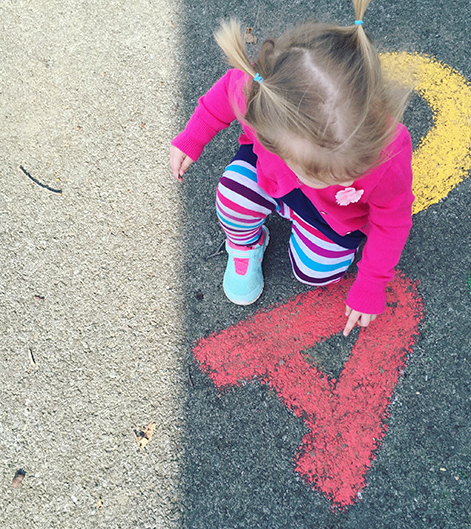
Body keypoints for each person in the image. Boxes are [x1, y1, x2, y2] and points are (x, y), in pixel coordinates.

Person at [169, 0, 414, 337]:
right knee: (232, 196)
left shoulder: (386, 154)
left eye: (337, 174)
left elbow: (392, 220)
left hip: (332, 218)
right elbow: (225, 93)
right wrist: (191, 138)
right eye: (311, 172)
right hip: (269, 177)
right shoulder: (265, 98)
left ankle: (304, 238)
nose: (320, 181)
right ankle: (244, 245)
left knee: (314, 273)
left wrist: (371, 282)